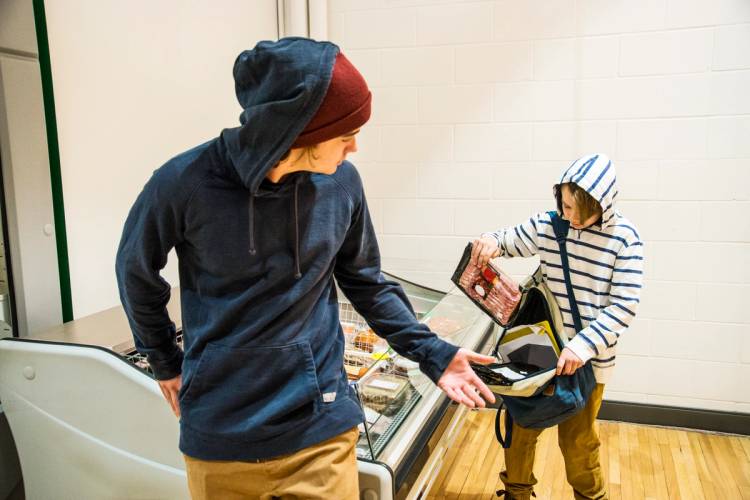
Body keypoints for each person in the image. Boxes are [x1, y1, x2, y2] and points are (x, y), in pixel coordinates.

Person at [116, 37, 495, 500]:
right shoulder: (183, 182)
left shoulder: (342, 184)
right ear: (296, 130)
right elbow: (135, 271)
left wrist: (433, 352)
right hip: (220, 437)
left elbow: (366, 282)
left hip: (321, 430)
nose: (355, 147)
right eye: (344, 134)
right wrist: (163, 361)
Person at [471, 153, 644, 500]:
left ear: (604, 206)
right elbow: (508, 239)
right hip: (538, 346)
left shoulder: (625, 239)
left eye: (581, 213)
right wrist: (490, 241)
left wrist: (581, 346)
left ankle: (591, 496)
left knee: (577, 441)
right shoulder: (550, 224)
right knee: (520, 427)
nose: (571, 218)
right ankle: (517, 493)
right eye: (565, 206)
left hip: (589, 361)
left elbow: (624, 305)